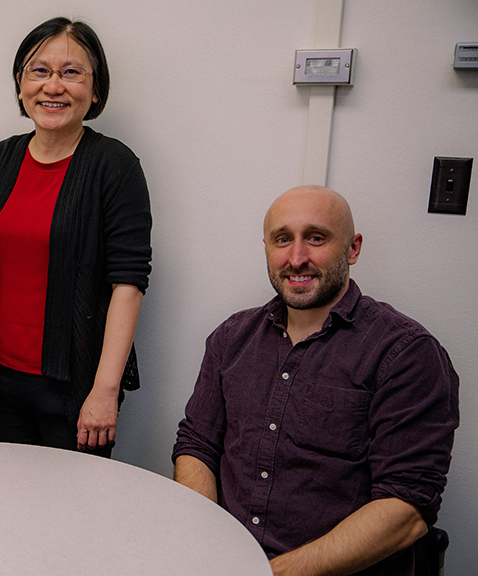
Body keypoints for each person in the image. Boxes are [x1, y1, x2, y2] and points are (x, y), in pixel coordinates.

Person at [172, 185, 459, 576]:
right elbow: (197, 445)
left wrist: (268, 573)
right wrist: (206, 541)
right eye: (283, 239)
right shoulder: (231, 337)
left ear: (353, 249)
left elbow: (407, 507)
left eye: (316, 238)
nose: (297, 258)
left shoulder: (406, 353)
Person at [0, 17, 152, 456]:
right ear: (20, 86)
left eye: (71, 72)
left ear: (95, 90)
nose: (53, 86)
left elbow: (129, 283)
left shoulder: (114, 166)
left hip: (78, 386)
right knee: (12, 505)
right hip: (1, 379)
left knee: (73, 515)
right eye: (38, 71)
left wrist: (103, 391)